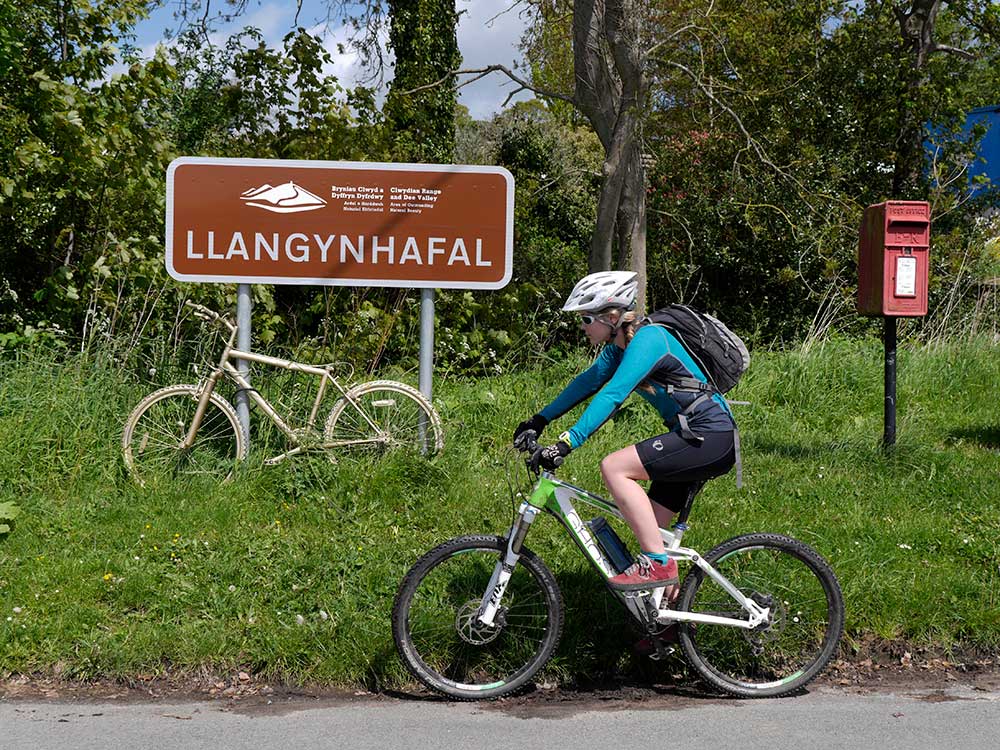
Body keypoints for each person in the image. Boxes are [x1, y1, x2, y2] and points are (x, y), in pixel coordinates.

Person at [513, 271, 737, 597]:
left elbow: (613, 394)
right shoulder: (620, 348)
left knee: (614, 467)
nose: (583, 326)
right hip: (696, 438)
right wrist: (539, 419)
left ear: (612, 316)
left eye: (587, 318)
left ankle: (657, 564)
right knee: (654, 536)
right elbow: (588, 383)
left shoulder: (650, 339)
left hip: (709, 437)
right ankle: (667, 626)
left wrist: (568, 442)